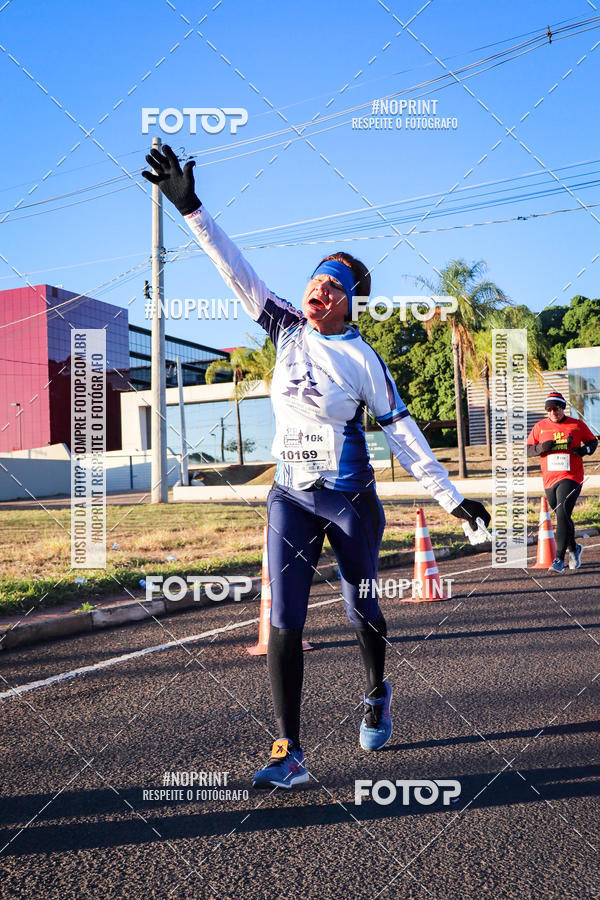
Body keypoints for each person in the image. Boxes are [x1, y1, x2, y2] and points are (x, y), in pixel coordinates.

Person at [142, 146, 491, 789]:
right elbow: (234, 270)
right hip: (290, 497)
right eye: (314, 279)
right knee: (284, 616)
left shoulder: (364, 362)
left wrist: (451, 499)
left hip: (349, 500)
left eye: (332, 285)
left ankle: (377, 688)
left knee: (364, 611)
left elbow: (404, 434)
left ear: (352, 300)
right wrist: (190, 207)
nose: (317, 289)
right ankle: (288, 751)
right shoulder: (283, 328)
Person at [527, 390, 597, 573]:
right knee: (563, 516)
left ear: (563, 408)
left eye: (556, 408)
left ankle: (558, 559)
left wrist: (585, 451)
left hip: (572, 477)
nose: (553, 412)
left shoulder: (576, 424)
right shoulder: (540, 427)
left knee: (563, 510)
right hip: (550, 480)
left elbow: (593, 442)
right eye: (549, 409)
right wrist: (541, 447)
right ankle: (574, 548)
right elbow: (528, 450)